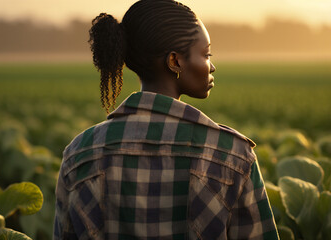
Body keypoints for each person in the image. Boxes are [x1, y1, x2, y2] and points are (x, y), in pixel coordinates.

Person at [53, 0, 279, 239]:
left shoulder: (79, 154)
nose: (212, 66)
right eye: (206, 54)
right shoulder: (233, 155)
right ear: (174, 61)